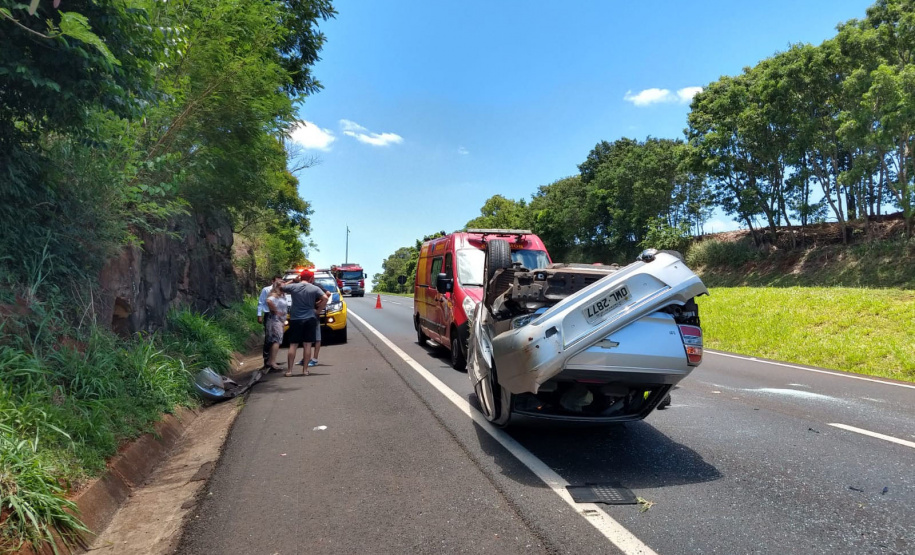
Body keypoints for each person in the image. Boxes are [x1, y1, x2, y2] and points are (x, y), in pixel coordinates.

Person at [281, 270, 328, 376]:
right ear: (311, 278)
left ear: (300, 277)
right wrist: (318, 311)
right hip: (310, 318)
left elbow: (280, 287)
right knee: (307, 345)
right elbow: (325, 298)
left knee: (293, 345)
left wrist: (293, 280)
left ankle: (289, 371)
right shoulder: (314, 288)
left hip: (295, 319)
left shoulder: (294, 287)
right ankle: (305, 370)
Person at [296, 272, 332, 368]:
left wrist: (318, 306)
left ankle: (315, 359)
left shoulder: (316, 286)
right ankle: (305, 358)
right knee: (306, 338)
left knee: (316, 337)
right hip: (306, 314)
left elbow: (328, 294)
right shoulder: (305, 286)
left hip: (312, 314)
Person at [257, 275, 282, 367]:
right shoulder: (266, 290)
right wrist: (259, 315)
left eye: (280, 281)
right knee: (269, 338)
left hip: (278, 316)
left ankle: (272, 360)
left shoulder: (281, 290)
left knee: (276, 338)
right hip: (269, 315)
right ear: (272, 281)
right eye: (277, 281)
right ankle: (266, 360)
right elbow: (261, 303)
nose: (279, 282)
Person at [263, 284, 288, 371]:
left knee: (277, 340)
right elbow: (268, 301)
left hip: (280, 320)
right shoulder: (275, 296)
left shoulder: (282, 295)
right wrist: (276, 311)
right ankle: (272, 362)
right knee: (276, 340)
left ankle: (271, 360)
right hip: (275, 321)